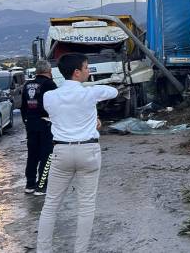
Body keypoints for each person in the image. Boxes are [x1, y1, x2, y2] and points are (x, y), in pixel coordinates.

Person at [37, 53, 118, 253]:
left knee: (51, 205)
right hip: (88, 151)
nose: (88, 71)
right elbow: (114, 92)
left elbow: (59, 114)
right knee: (86, 206)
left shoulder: (49, 96)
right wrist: (94, 117)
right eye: (87, 67)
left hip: (61, 151)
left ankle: (43, 250)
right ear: (76, 72)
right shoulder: (90, 93)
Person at [21, 60, 57, 195]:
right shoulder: (49, 84)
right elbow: (56, 104)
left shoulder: (27, 84)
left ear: (36, 71)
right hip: (45, 123)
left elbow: (23, 106)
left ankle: (30, 184)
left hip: (31, 123)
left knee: (32, 155)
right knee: (46, 155)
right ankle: (41, 186)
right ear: (49, 71)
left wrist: (27, 121)